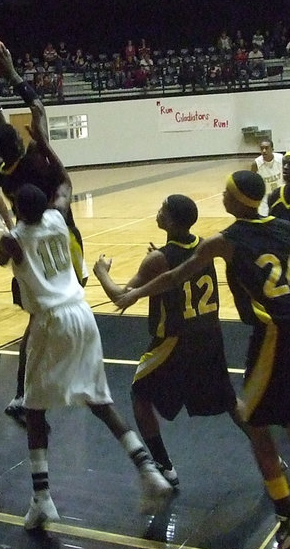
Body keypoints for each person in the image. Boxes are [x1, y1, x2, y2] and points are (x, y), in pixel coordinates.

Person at [115, 171, 290, 549]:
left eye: (226, 192)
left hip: (274, 336)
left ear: (235, 200)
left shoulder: (226, 241)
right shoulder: (285, 228)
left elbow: (176, 275)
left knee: (257, 425)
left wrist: (134, 295)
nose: (222, 197)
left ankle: (286, 515)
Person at [0, 184, 173, 530]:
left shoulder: (14, 238)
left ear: (17, 210)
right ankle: (148, 471)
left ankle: (42, 498)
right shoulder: (57, 218)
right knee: (99, 400)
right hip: (83, 313)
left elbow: (4, 257)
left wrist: (6, 227)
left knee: (32, 408)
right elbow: (62, 188)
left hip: (52, 320)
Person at [93, 194, 252, 492]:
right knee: (230, 402)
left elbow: (118, 295)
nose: (158, 211)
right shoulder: (204, 245)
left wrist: (101, 271)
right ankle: (271, 453)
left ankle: (165, 465)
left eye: (162, 208)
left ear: (171, 220)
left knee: (139, 395)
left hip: (175, 341)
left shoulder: (158, 260)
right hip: (209, 335)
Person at [0, 47, 87, 425]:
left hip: (31, 247)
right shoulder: (38, 158)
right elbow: (38, 110)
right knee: (63, 309)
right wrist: (9, 72)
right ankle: (38, 388)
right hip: (62, 237)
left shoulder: (2, 169)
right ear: (22, 145)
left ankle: (26, 391)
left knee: (39, 318)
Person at [250, 138, 282, 215]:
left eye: (266, 148)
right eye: (262, 148)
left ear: (272, 149)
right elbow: (251, 182)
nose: (264, 151)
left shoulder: (281, 159)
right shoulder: (256, 164)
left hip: (280, 195)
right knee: (264, 218)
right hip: (265, 197)